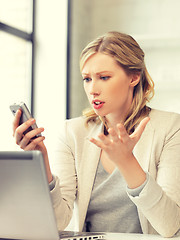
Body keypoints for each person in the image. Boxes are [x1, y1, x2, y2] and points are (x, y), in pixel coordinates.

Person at [12, 31, 180, 237]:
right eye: (87, 79)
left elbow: (169, 225)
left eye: (104, 77)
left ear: (134, 77)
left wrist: (127, 162)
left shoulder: (171, 128)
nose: (93, 89)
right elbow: (59, 220)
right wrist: (41, 160)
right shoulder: (72, 133)